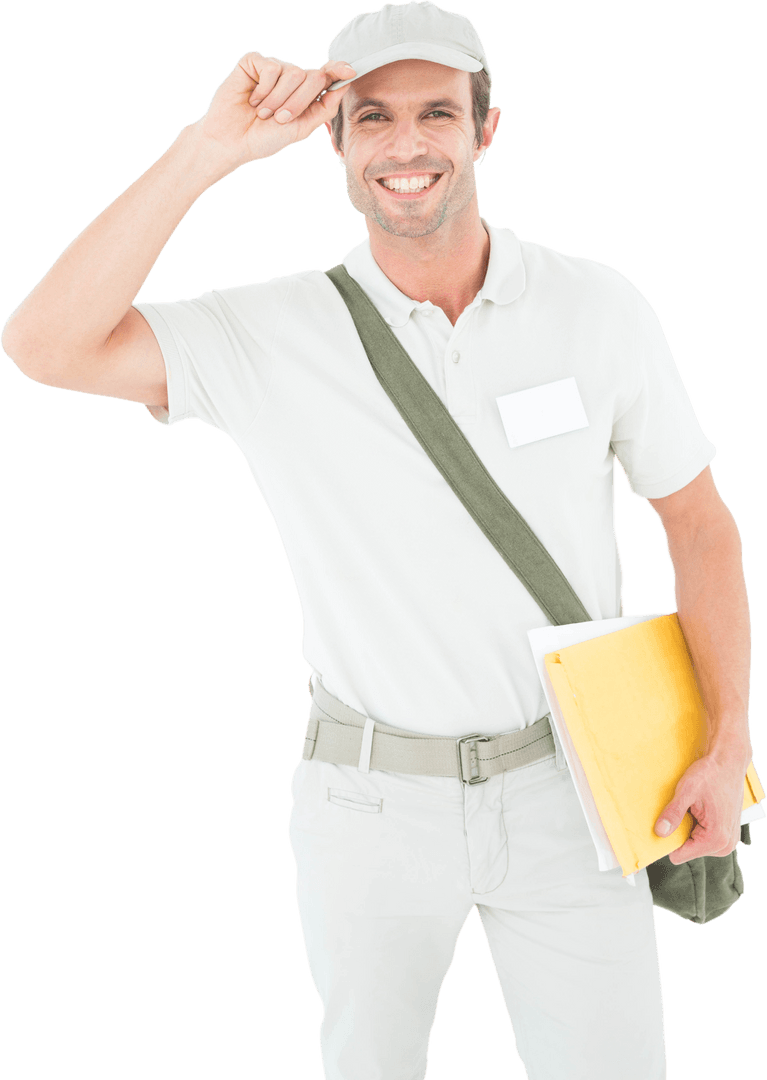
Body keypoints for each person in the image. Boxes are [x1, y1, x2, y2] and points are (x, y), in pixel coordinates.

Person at [1, 1, 753, 1077]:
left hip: (570, 788)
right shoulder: (271, 333)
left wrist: (725, 745)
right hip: (367, 801)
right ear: (335, 141)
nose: (406, 146)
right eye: (372, 118)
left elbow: (699, 521)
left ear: (484, 131)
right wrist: (205, 152)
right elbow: (41, 343)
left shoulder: (594, 308)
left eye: (436, 113)